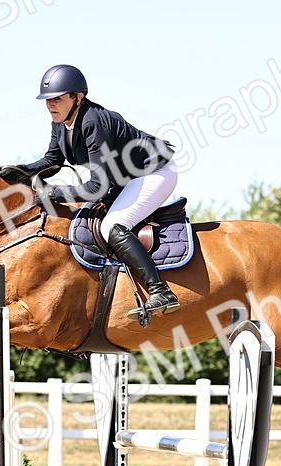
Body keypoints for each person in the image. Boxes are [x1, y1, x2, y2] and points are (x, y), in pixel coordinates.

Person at [23, 64, 180, 319]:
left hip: (154, 173)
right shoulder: (61, 121)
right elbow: (51, 161)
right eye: (48, 100)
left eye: (58, 99)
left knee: (113, 226)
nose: (51, 105)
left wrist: (54, 193)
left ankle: (160, 290)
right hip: (125, 178)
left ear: (78, 98)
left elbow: (97, 188)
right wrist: (11, 172)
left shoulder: (93, 121)